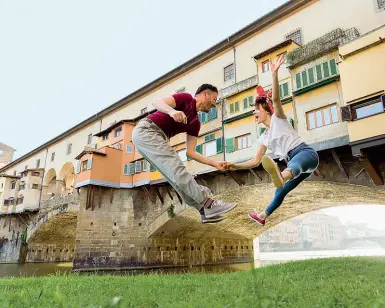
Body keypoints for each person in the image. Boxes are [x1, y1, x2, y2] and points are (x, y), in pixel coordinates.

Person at [226, 54, 319, 226]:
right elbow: (255, 161)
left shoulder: (279, 118)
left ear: (266, 110)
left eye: (256, 109)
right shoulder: (264, 137)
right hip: (295, 163)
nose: (253, 112)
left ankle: (281, 176)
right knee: (280, 191)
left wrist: (274, 73)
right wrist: (234, 166)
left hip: (305, 154)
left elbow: (275, 99)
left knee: (291, 169)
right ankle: (262, 216)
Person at [132, 84, 238, 224]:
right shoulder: (187, 99)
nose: (214, 104)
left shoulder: (196, 123)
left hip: (152, 137)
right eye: (214, 98)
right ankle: (208, 203)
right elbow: (156, 102)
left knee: (174, 177)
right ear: (205, 94)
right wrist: (171, 111)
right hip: (147, 130)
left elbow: (191, 152)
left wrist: (214, 163)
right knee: (177, 167)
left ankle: (203, 210)